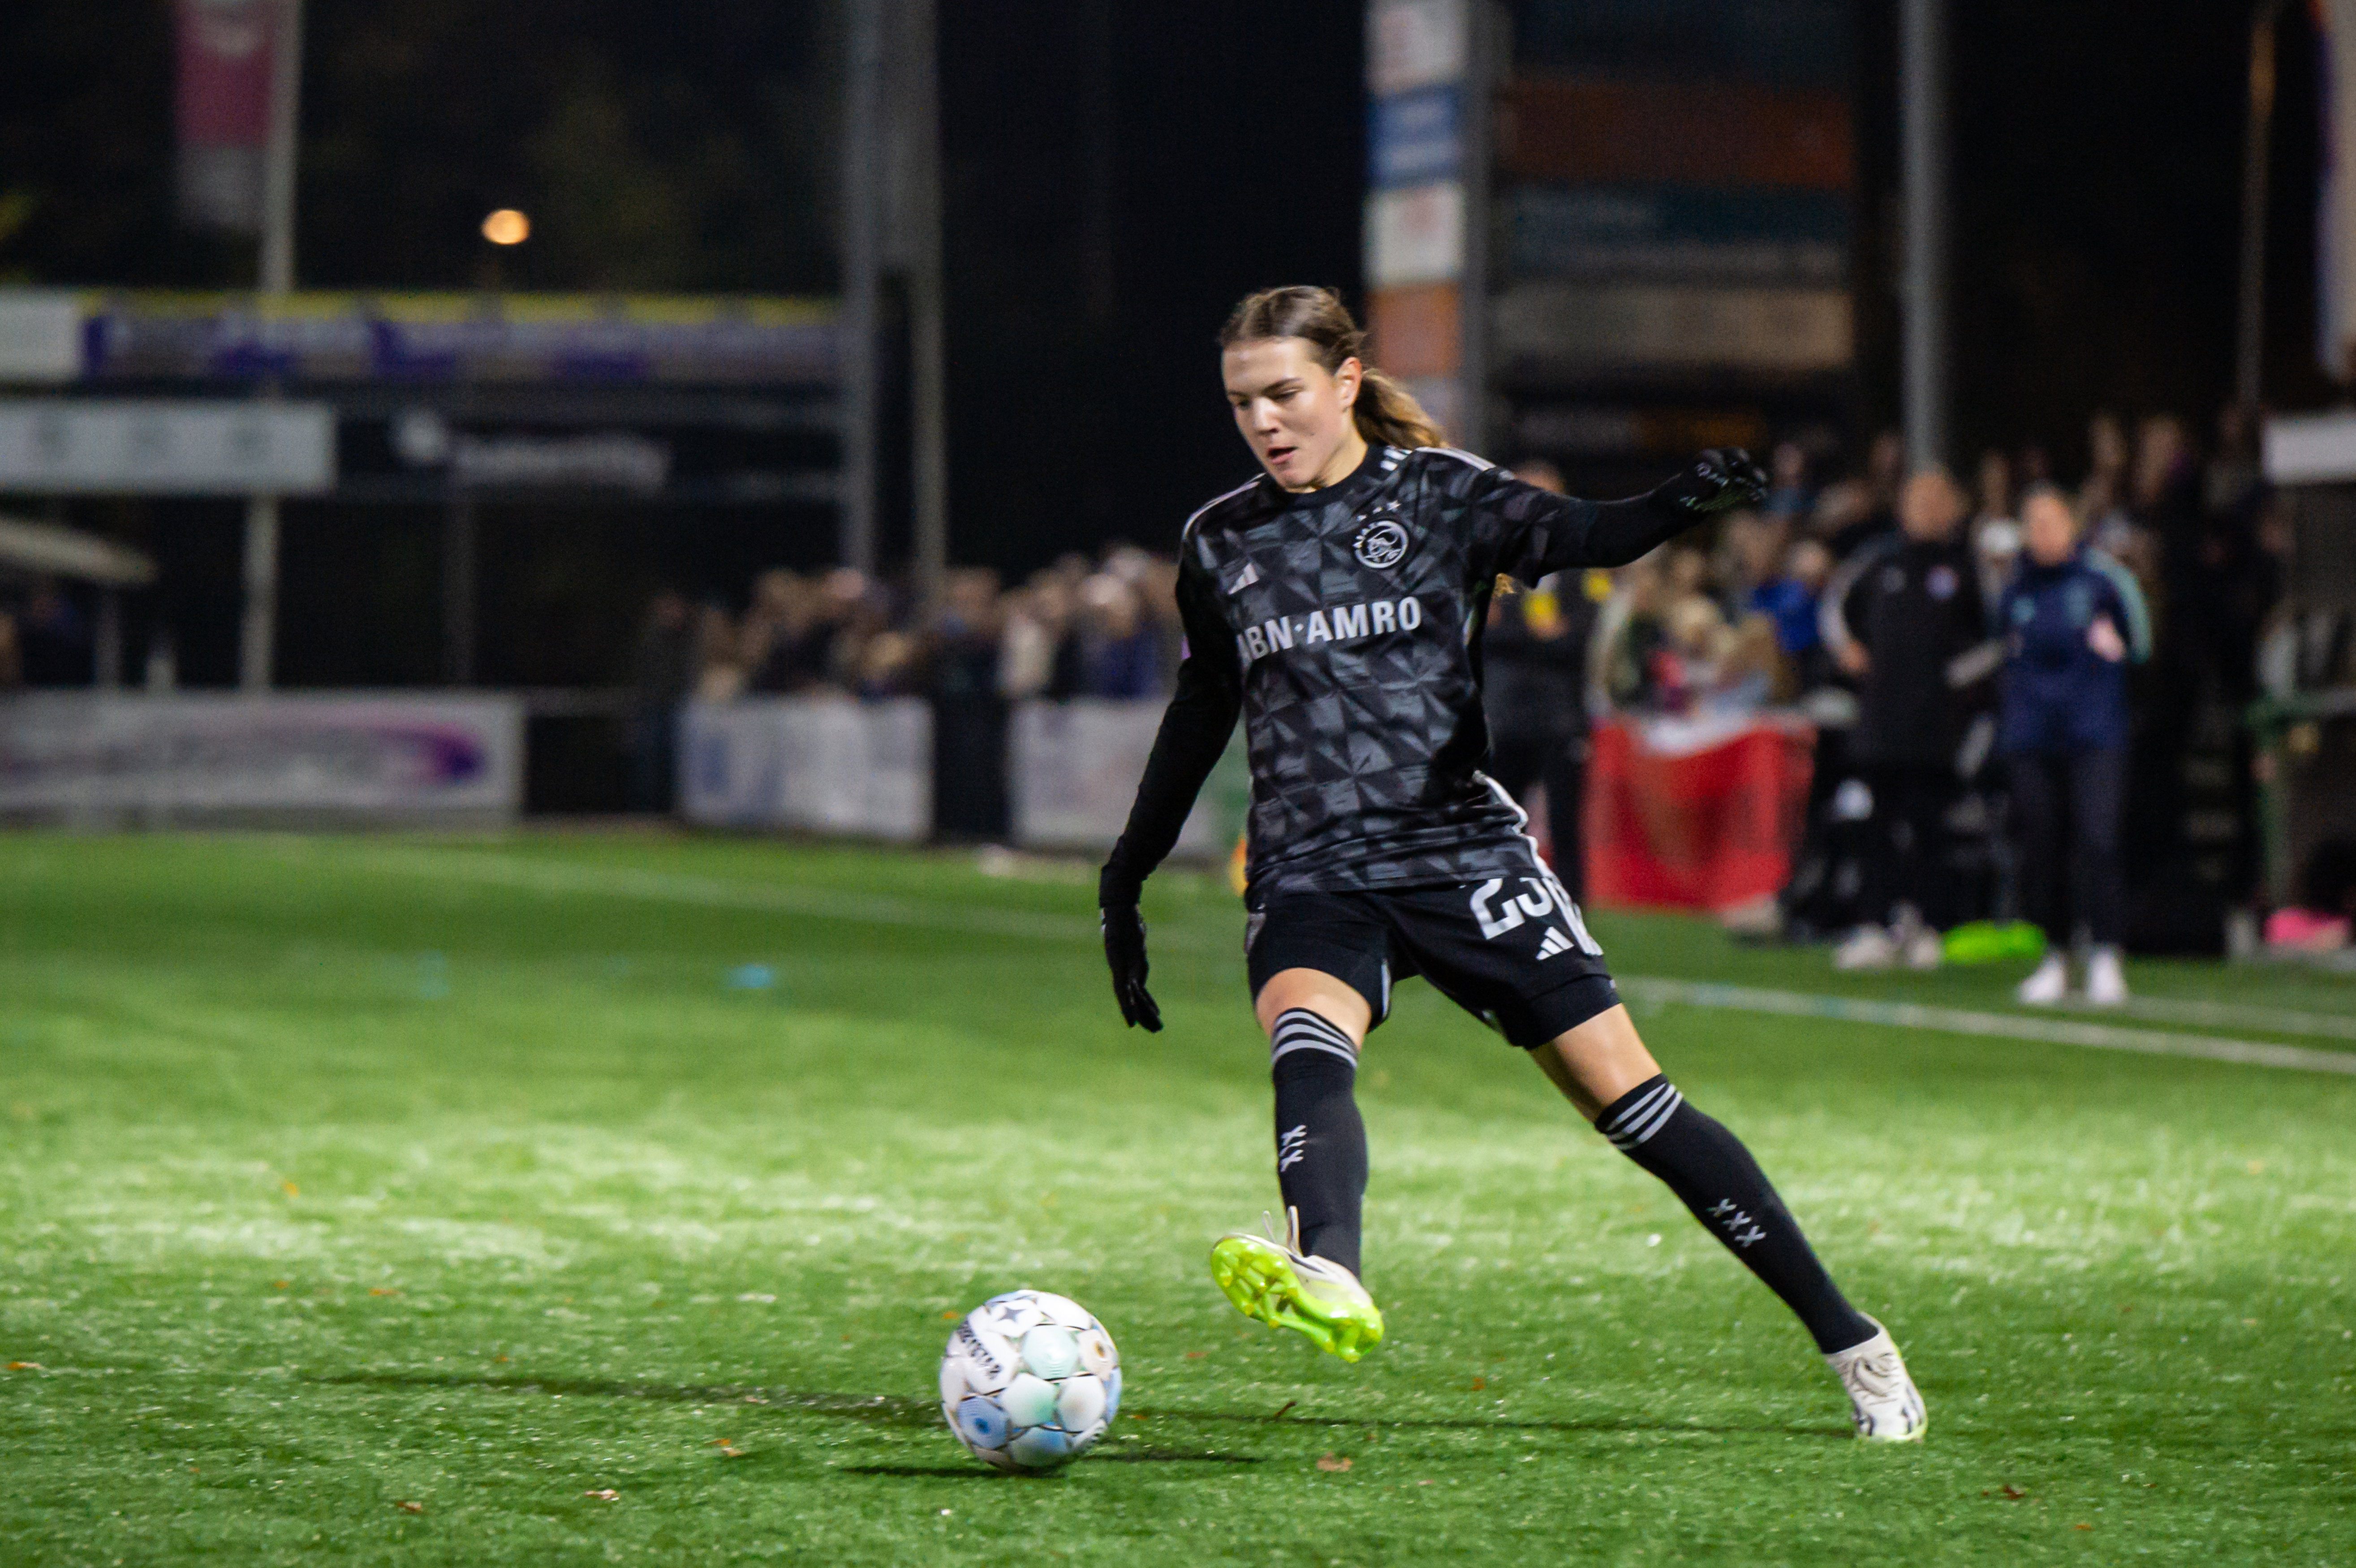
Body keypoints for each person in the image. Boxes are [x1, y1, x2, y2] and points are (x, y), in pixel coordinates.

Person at [1095, 286, 1925, 1441]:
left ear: (1344, 382)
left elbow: (1584, 534)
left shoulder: (1441, 497)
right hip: (1313, 864)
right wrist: (1123, 874)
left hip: (1459, 854)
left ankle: (1854, 1342)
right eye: (1242, 403)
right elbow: (1200, 710)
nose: (1265, 422)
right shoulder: (1220, 541)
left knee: (1634, 1106)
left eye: (1284, 393)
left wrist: (1679, 499)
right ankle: (1330, 1270)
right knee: (1306, 1046)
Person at [1818, 468, 1992, 969]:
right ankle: (1876, 925)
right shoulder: (1878, 562)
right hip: (1880, 723)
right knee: (1877, 826)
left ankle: (1927, 926)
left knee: (1929, 828)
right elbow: (1836, 610)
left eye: (1936, 499)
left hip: (1935, 727)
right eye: (1917, 498)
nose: (1925, 508)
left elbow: (1991, 639)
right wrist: (1849, 651)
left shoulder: (1965, 568)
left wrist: (1948, 684)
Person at [2001, 485, 2151, 1005]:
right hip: (2033, 738)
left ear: (2071, 525)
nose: (2042, 533)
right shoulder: (2015, 587)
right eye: (2033, 523)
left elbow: (2142, 645)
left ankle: (2107, 954)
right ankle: (2055, 956)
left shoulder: (2105, 581)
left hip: (2095, 735)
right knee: (2043, 847)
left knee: (2100, 841)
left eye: (2051, 521)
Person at [1482, 457, 1599, 899]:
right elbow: (1486, 634)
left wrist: (1514, 630)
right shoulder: (1496, 564)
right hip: (1506, 715)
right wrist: (1539, 633)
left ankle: (1573, 918)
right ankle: (1501, 909)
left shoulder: (1579, 566)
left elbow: (1578, 639)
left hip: (1561, 717)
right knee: (1500, 823)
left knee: (1567, 826)